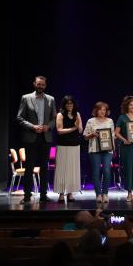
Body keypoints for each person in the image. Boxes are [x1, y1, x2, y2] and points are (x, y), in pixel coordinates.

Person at [16, 75, 57, 204]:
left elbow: (54, 119)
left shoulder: (51, 99)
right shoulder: (26, 98)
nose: (40, 86)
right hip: (31, 137)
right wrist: (32, 127)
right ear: (34, 84)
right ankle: (27, 196)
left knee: (44, 168)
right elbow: (19, 118)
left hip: (45, 137)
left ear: (45, 85)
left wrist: (48, 127)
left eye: (43, 84)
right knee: (29, 167)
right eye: (38, 84)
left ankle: (44, 195)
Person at [83, 102, 115, 203]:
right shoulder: (90, 121)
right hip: (94, 150)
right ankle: (98, 194)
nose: (102, 111)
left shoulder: (110, 121)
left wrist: (113, 149)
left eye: (104, 109)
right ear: (96, 110)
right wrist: (92, 134)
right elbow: (85, 136)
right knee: (96, 172)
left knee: (106, 171)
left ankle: (105, 193)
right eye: (100, 109)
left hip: (107, 150)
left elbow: (113, 136)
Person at [54, 96, 83, 203]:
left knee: (72, 170)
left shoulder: (77, 114)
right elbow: (59, 130)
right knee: (62, 169)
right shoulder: (60, 115)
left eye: (71, 103)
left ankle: (70, 193)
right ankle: (61, 194)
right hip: (63, 145)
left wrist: (78, 123)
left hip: (75, 145)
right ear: (64, 105)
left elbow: (80, 130)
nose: (69, 105)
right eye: (67, 103)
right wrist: (73, 128)